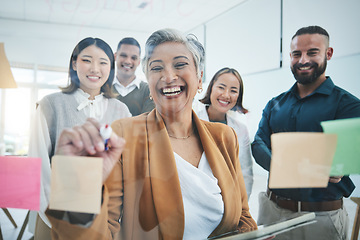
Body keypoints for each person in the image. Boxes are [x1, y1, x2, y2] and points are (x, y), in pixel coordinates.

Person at [45, 28, 257, 240]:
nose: (168, 76)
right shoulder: (124, 134)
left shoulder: (224, 137)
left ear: (200, 78)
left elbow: (243, 217)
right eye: (156, 68)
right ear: (148, 80)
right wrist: (75, 183)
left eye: (180, 65)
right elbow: (104, 230)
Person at [252, 25, 360, 240]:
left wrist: (340, 167)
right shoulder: (275, 104)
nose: (303, 60)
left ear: (328, 54)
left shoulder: (348, 105)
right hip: (273, 212)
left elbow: (349, 155)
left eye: (312, 52)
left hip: (320, 217)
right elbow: (258, 144)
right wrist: (289, 165)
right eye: (296, 54)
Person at [28, 37, 131, 239]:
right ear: (74, 63)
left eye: (103, 62)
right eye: (86, 60)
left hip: (105, 218)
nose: (95, 68)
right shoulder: (50, 105)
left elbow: (125, 169)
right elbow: (37, 165)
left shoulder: (122, 110)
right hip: (55, 213)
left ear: (110, 69)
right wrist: (57, 215)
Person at [195, 67, 254, 199]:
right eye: (221, 87)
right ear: (211, 88)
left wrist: (241, 208)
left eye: (233, 91)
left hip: (228, 200)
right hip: (198, 198)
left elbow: (245, 173)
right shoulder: (192, 121)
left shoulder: (241, 129)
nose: (226, 95)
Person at [112, 37, 155, 116]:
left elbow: (146, 123)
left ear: (139, 61)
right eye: (124, 55)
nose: (128, 61)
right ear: (115, 56)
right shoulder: (103, 88)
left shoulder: (149, 91)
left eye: (133, 58)